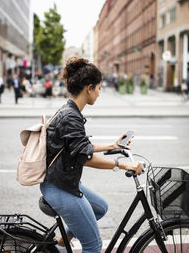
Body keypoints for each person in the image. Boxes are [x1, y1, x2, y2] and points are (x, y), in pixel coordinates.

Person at [40, 57, 143, 253]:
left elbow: (80, 147)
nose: (99, 92)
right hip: (59, 187)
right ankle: (72, 237)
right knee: (94, 245)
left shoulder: (70, 110)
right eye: (98, 88)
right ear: (89, 88)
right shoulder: (71, 117)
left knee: (100, 208)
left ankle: (67, 235)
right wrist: (123, 165)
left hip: (63, 181)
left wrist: (112, 145)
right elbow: (85, 158)